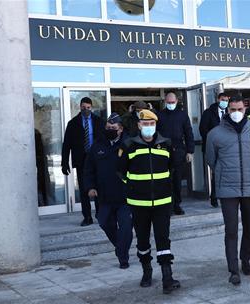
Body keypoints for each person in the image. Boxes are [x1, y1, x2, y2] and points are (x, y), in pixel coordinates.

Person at [118, 109, 180, 294]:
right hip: (139, 204)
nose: (148, 127)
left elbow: (172, 169)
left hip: (162, 202)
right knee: (143, 242)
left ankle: (167, 277)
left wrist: (164, 185)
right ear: (138, 125)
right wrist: (134, 187)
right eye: (145, 124)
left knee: (163, 240)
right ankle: (147, 272)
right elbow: (121, 172)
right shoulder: (129, 145)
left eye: (151, 124)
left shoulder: (166, 144)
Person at [205, 95, 250, 286]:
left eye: (239, 109)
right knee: (231, 230)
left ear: (245, 109)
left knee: (249, 228)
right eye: (232, 109)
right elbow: (211, 160)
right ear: (227, 110)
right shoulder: (215, 134)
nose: (236, 113)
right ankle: (233, 270)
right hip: (227, 189)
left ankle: (245, 261)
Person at [84, 113, 132, 269]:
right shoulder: (98, 146)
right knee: (104, 221)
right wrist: (90, 187)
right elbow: (89, 169)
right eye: (108, 127)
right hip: (105, 196)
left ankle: (123, 257)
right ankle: (120, 247)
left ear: (120, 129)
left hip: (126, 196)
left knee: (125, 228)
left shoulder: (130, 144)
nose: (110, 130)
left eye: (113, 127)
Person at [62, 97, 104, 226]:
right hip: (81, 160)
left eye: (88, 107)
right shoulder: (73, 123)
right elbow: (67, 144)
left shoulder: (99, 121)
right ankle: (87, 217)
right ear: (80, 107)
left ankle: (100, 215)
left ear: (92, 108)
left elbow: (104, 140)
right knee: (84, 190)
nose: (86, 109)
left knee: (99, 188)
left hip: (96, 159)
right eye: (83, 107)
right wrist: (64, 162)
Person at [157, 92, 195, 215]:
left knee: (177, 180)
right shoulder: (160, 115)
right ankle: (167, 205)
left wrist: (190, 151)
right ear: (165, 102)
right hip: (163, 150)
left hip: (179, 151)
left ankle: (177, 204)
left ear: (177, 102)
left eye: (172, 102)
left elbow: (189, 133)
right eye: (168, 102)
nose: (171, 104)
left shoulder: (182, 115)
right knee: (164, 180)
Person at [199, 92, 229, 207]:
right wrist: (212, 141)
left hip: (226, 148)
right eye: (223, 99)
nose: (225, 102)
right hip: (212, 147)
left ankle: (223, 195)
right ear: (218, 99)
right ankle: (214, 197)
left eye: (226, 100)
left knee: (224, 172)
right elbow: (203, 129)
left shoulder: (229, 113)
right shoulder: (209, 112)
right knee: (216, 172)